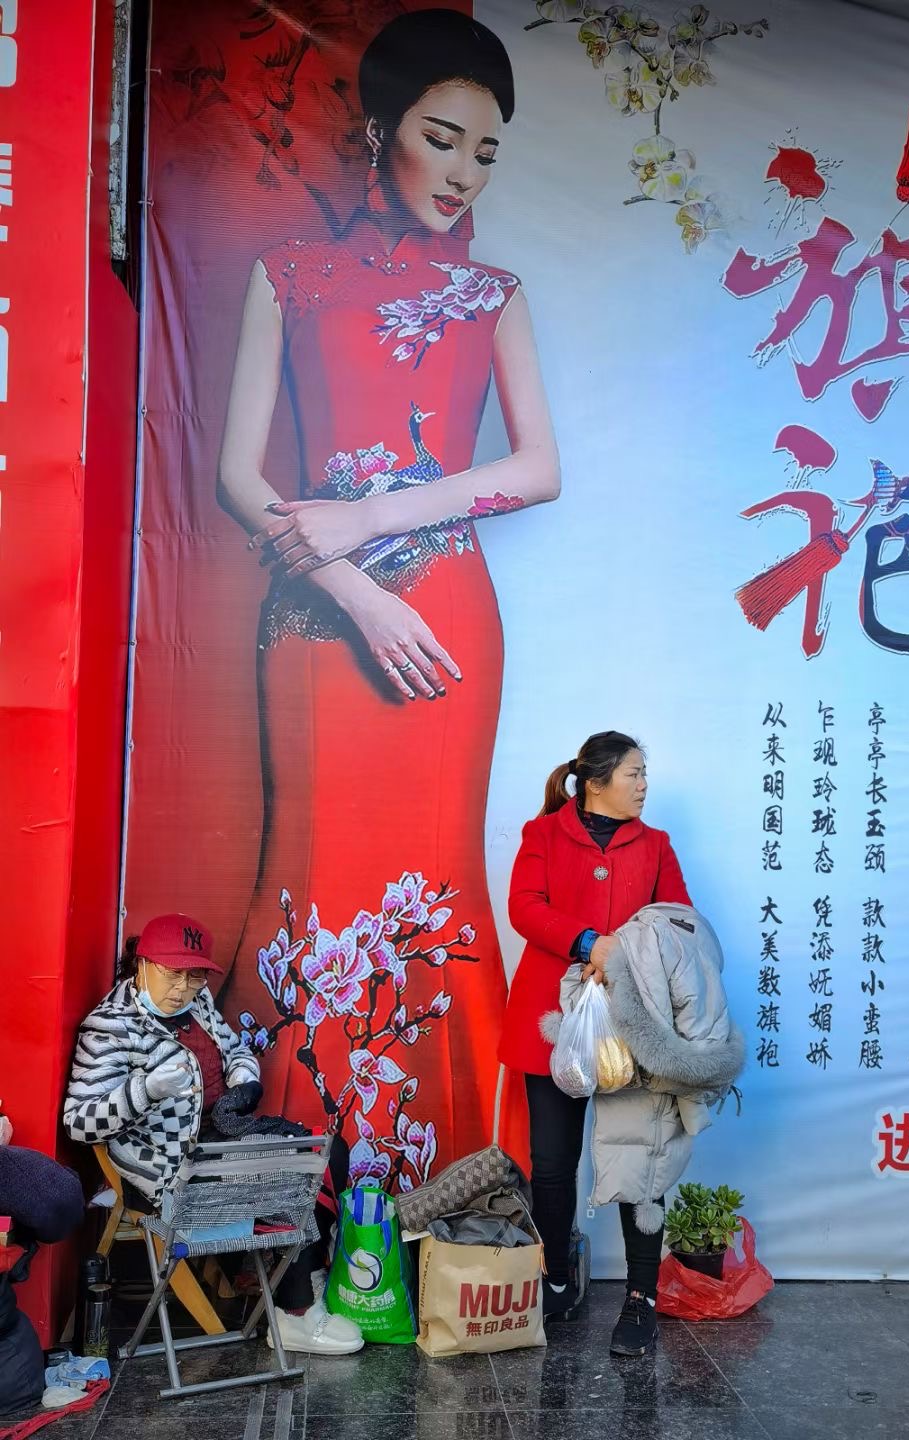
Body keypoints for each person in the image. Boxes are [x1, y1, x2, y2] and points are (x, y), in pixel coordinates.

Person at [216, 9, 558, 1178]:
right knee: (310, 872)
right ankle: (288, 1195)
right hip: (317, 619)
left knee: (438, 875)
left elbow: (537, 470)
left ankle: (454, 1184)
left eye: (486, 153)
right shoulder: (288, 276)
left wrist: (370, 517)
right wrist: (355, 590)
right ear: (379, 131)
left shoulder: (495, 292)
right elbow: (236, 479)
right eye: (441, 138)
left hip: (446, 616)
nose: (463, 173)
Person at [63, 914, 363, 1356]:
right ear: (142, 963)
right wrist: (145, 1089)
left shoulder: (196, 1003)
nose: (183, 988)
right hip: (170, 1164)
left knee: (325, 1153)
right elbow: (79, 1121)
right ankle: (295, 1310)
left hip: (220, 1139)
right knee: (292, 1174)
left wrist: (243, 1079)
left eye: (195, 976)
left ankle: (294, 1289)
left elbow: (235, 1048)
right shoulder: (110, 1027)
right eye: (173, 973)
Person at [498, 732, 692, 1357]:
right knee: (553, 1164)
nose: (644, 784)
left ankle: (640, 1298)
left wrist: (624, 954)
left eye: (644, 773)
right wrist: (586, 943)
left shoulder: (656, 844)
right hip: (555, 1021)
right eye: (634, 773)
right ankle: (557, 1277)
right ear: (596, 783)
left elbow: (679, 922)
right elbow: (524, 907)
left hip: (632, 1026)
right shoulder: (543, 834)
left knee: (640, 1158)